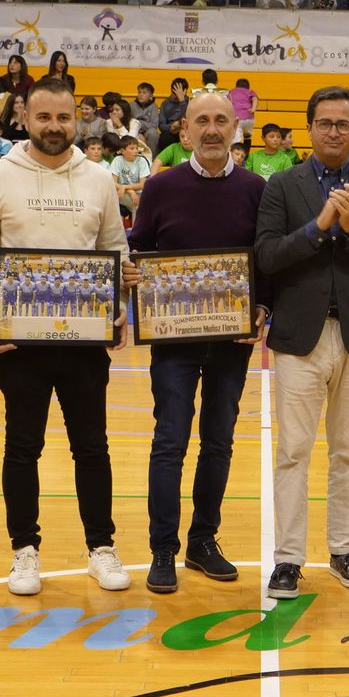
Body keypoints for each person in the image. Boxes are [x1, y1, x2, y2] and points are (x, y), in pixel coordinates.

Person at [0, 78, 135, 595]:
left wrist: (119, 309)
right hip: (20, 341)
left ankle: (101, 548)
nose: (53, 127)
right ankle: (24, 551)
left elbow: (116, 252)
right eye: (43, 118)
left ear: (75, 119)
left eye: (63, 118)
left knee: (92, 447)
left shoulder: (99, 177)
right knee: (21, 448)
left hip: (84, 341)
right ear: (25, 117)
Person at [256, 85, 349, 600]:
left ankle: (343, 550)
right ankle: (288, 560)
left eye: (343, 123)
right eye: (325, 122)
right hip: (300, 337)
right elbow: (268, 256)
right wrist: (320, 227)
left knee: (348, 452)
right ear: (310, 128)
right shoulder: (281, 185)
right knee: (293, 452)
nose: (334, 131)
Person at [128, 88, 270, 595]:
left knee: (219, 442)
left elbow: (267, 260)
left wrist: (262, 307)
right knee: (169, 442)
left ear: (236, 129)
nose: (212, 129)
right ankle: (162, 547)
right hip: (174, 341)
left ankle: (203, 541)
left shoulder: (257, 190)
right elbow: (139, 248)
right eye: (201, 121)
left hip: (232, 341)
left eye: (221, 121)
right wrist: (131, 274)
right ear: (183, 130)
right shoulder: (162, 186)